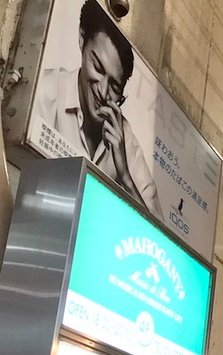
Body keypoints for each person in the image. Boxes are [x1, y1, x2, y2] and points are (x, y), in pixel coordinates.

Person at [35, 0, 162, 219]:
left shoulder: (126, 140)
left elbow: (157, 232)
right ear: (81, 38)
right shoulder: (45, 94)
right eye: (98, 67)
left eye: (115, 87)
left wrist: (124, 177)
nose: (103, 92)